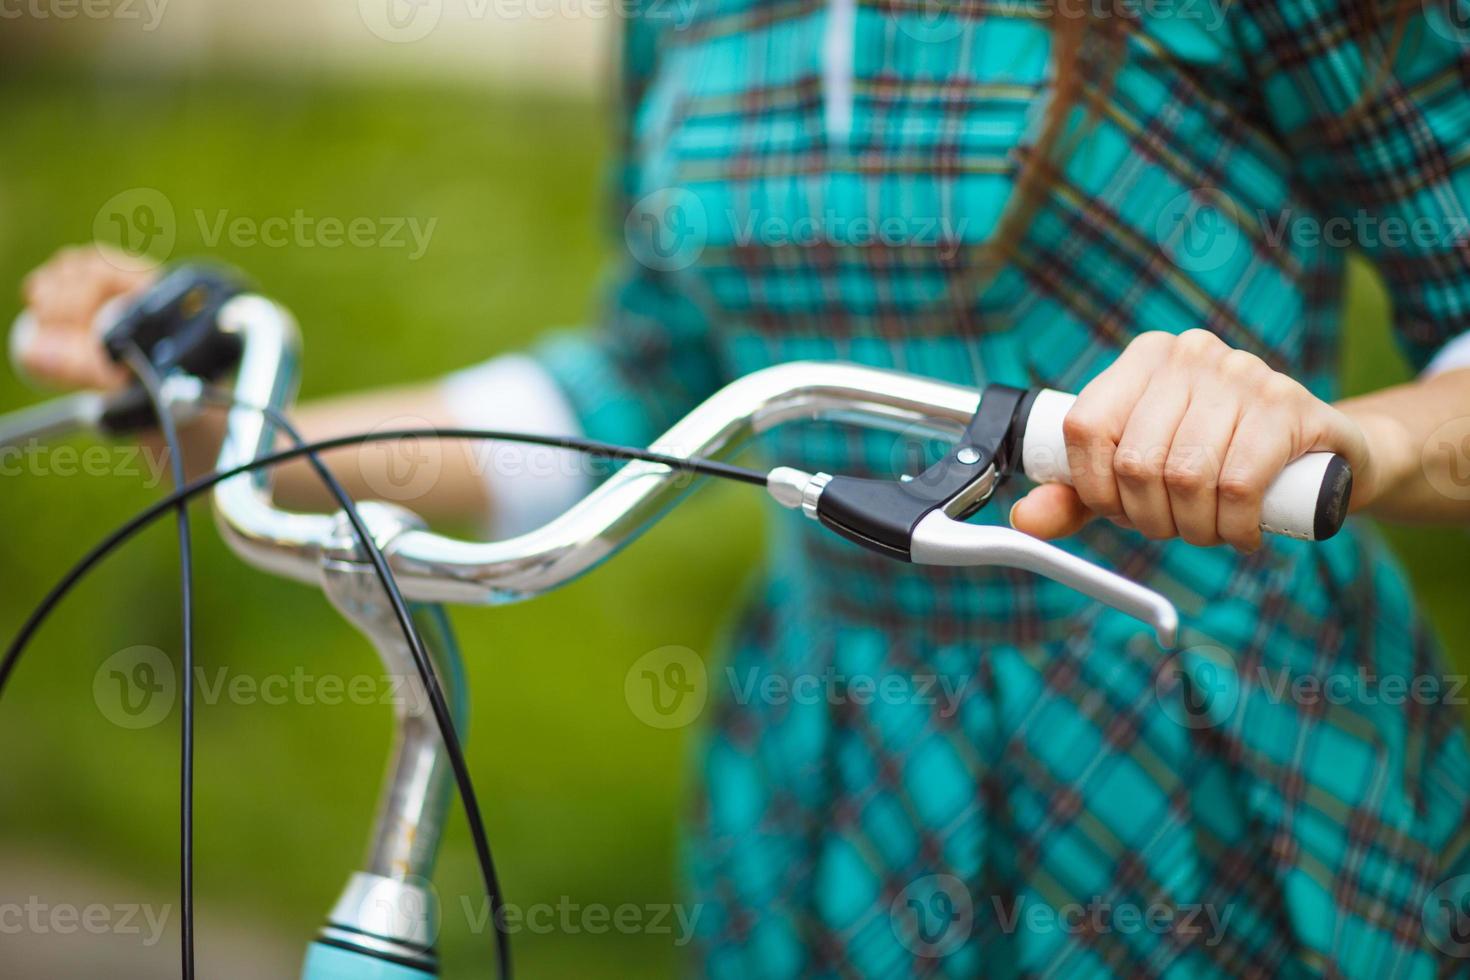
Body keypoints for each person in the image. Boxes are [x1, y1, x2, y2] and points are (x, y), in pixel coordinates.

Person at [14, 0, 1470, 974]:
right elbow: (641, 378)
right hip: (828, 761)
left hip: (1206, 752)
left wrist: (1340, 439)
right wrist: (238, 427)